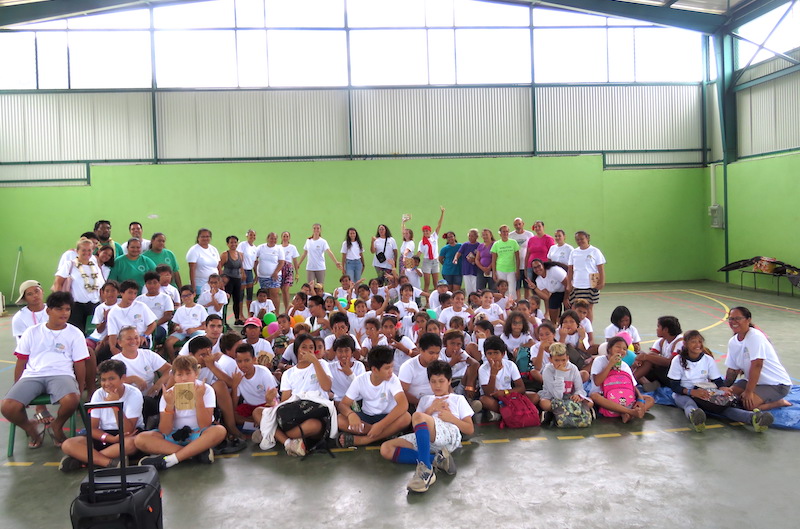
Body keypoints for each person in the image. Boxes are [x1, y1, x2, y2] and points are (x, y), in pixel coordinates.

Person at [1, 291, 87, 449]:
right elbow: (21, 361)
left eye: (67, 309)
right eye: (59, 309)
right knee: (7, 407)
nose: (64, 313)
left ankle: (57, 426)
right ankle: (31, 428)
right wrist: (17, 386)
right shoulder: (32, 332)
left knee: (71, 400)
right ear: (48, 311)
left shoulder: (75, 333)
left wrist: (80, 389)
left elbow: (79, 364)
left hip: (61, 375)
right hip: (32, 375)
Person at [381, 360, 475, 493]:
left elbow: (470, 429)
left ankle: (425, 469)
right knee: (386, 449)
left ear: (449, 381)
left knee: (417, 416)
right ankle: (438, 460)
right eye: (433, 381)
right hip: (428, 440)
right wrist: (431, 409)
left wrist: (452, 418)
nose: (437, 385)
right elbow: (417, 427)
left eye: (441, 381)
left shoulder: (457, 399)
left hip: (448, 434)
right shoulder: (425, 400)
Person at [135, 355, 227, 469]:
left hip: (199, 434)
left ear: (196, 373)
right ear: (174, 376)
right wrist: (169, 405)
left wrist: (199, 399)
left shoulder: (206, 390)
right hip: (174, 436)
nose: (184, 378)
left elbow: (205, 424)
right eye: (179, 374)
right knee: (140, 439)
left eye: (188, 373)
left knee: (219, 431)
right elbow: (165, 430)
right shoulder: (169, 393)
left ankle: (170, 460)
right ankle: (194, 453)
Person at [254, 333, 332, 457]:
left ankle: (272, 432)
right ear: (296, 351)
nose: (308, 351)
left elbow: (327, 387)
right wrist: (271, 402)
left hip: (314, 413)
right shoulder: (288, 373)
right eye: (304, 347)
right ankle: (289, 443)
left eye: (311, 348)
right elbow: (285, 402)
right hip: (294, 414)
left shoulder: (321, 364)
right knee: (258, 412)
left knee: (313, 425)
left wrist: (315, 362)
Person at [59, 359, 143, 471]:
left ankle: (83, 459)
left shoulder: (134, 394)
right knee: (68, 444)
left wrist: (115, 405)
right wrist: (111, 439)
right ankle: (109, 462)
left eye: (111, 379)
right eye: (103, 380)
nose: (107, 384)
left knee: (131, 444)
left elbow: (127, 430)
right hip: (104, 435)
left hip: (126, 435)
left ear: (123, 378)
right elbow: (92, 428)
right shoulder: (98, 394)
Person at [335, 345, 412, 448]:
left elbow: (403, 404)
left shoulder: (393, 379)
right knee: (339, 420)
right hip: (367, 417)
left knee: (406, 417)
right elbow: (343, 404)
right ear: (375, 369)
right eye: (387, 368)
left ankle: (365, 440)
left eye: (392, 367)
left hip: (388, 417)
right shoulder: (360, 380)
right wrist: (351, 415)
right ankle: (385, 434)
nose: (391, 371)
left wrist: (381, 425)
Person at [724, 306, 792, 412]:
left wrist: (748, 392)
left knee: (748, 405)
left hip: (776, 384)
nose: (734, 322)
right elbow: (733, 369)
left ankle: (779, 402)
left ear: (748, 320)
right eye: (731, 319)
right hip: (755, 382)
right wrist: (723, 387)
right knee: (727, 397)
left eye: (738, 318)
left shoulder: (755, 336)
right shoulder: (733, 342)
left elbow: (757, 365)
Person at [111, 326, 171, 424]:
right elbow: (112, 383)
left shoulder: (148, 354)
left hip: (151, 396)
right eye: (129, 339)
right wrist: (133, 379)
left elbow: (170, 369)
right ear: (120, 342)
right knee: (144, 402)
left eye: (136, 337)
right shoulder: (115, 361)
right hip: (129, 401)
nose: (133, 341)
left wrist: (158, 385)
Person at [590, 336, 654, 422]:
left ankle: (629, 412)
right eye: (618, 347)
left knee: (649, 399)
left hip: (623, 396)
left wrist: (640, 398)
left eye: (624, 349)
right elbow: (597, 382)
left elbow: (633, 385)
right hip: (604, 395)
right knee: (594, 396)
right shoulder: (599, 360)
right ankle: (630, 412)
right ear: (609, 349)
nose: (621, 350)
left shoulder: (624, 365)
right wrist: (610, 364)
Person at [478, 336, 538, 421]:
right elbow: (488, 393)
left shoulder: (510, 365)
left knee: (534, 397)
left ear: (503, 354)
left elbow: (521, 388)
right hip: (494, 398)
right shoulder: (483, 369)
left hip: (509, 395)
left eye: (496, 353)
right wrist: (493, 374)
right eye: (489, 353)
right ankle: (512, 412)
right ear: (485, 354)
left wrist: (505, 392)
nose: (493, 357)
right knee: (484, 400)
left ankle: (504, 413)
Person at [54, 237, 103, 333]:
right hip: (76, 306)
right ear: (77, 251)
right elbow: (58, 283)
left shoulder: (95, 265)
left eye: (89, 250)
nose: (86, 252)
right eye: (83, 250)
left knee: (93, 334)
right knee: (76, 333)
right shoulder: (69, 265)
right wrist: (60, 303)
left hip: (94, 305)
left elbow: (101, 285)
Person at [537, 343, 593, 418]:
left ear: (567, 358)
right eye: (557, 360)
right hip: (553, 398)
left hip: (570, 398)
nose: (560, 363)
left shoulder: (573, 368)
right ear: (550, 359)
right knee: (544, 403)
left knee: (590, 402)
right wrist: (559, 373)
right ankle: (568, 412)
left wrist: (577, 395)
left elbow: (579, 388)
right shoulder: (547, 370)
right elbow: (557, 396)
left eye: (563, 360)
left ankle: (562, 412)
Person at [105, 280, 157, 360]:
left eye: (135, 293)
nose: (132, 296)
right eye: (130, 293)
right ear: (122, 293)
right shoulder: (113, 312)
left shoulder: (141, 306)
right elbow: (112, 334)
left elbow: (152, 324)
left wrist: (144, 335)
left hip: (140, 339)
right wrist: (112, 347)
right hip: (123, 341)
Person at [232, 343, 279, 426]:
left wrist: (270, 403)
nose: (243, 364)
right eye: (239, 361)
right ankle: (257, 423)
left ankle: (258, 422)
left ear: (254, 360)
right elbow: (234, 405)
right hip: (249, 405)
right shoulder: (237, 375)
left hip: (265, 404)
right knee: (234, 416)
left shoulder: (263, 372)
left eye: (247, 360)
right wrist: (234, 386)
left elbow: (274, 397)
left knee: (259, 413)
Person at [633, 315, 683, 390]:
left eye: (658, 326)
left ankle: (630, 381)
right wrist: (640, 359)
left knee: (648, 358)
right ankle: (644, 382)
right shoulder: (661, 341)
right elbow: (650, 354)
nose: (656, 329)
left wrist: (645, 357)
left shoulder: (680, 342)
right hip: (663, 373)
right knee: (642, 355)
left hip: (674, 377)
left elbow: (669, 362)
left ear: (665, 330)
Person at [567, 230, 605, 321]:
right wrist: (569, 284)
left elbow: (601, 268)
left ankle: (588, 328)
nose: (579, 241)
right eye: (577, 239)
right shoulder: (574, 252)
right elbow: (570, 270)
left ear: (587, 238)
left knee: (588, 309)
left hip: (590, 285)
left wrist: (601, 282)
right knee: (575, 308)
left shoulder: (595, 251)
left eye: (581, 239)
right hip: (577, 285)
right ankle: (576, 326)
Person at [399, 333, 443, 407]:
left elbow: (447, 386)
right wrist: (422, 403)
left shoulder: (440, 364)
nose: (435, 357)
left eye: (437, 353)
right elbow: (402, 392)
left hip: (437, 401)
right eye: (431, 353)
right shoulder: (408, 367)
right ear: (421, 350)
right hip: (414, 404)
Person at [164, 285, 208, 360]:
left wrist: (194, 329)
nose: (186, 298)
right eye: (183, 296)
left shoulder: (200, 308)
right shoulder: (180, 310)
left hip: (196, 330)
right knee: (168, 342)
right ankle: (174, 361)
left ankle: (196, 360)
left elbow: (205, 325)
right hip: (183, 331)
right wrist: (177, 328)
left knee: (200, 341)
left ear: (194, 295)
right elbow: (176, 324)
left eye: (188, 295)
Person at [136, 271, 174, 346]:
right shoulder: (139, 299)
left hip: (159, 326)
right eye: (149, 283)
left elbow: (168, 316)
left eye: (155, 283)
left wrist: (152, 325)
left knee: (149, 338)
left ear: (159, 283)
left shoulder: (165, 298)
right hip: (141, 327)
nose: (152, 285)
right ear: (145, 285)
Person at [297, 223, 341, 289]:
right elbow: (305, 253)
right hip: (310, 267)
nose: (316, 230)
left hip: (320, 267)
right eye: (314, 228)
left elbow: (329, 252)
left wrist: (336, 262)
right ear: (312, 229)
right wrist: (298, 263)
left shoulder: (323, 241)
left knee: (320, 287)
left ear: (320, 230)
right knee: (310, 286)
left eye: (318, 228)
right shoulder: (308, 241)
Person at [526, 258, 568, 323]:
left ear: (543, 265)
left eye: (539, 266)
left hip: (569, 289)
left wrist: (566, 298)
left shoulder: (554, 270)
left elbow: (568, 284)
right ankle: (554, 324)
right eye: (535, 268)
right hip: (557, 292)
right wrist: (535, 288)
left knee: (568, 309)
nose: (537, 269)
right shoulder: (538, 280)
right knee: (552, 303)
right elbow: (547, 297)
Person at [218, 235, 246, 325]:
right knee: (226, 300)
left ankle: (237, 319)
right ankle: (223, 321)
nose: (233, 244)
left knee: (237, 300)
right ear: (227, 244)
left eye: (235, 242)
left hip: (237, 280)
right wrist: (222, 279)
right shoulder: (225, 254)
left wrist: (243, 274)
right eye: (231, 242)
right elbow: (219, 266)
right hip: (228, 281)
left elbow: (241, 266)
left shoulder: (240, 254)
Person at [255, 232, 286, 313]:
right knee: (266, 296)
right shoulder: (260, 247)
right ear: (267, 238)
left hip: (275, 276)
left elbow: (281, 262)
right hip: (262, 276)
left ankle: (276, 314)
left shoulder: (279, 249)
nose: (273, 240)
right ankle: (267, 313)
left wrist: (275, 272)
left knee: (274, 294)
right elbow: (255, 259)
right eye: (271, 238)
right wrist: (256, 273)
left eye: (275, 239)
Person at [329, 335, 366, 402]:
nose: (343, 354)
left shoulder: (359, 366)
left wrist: (350, 374)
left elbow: (362, 388)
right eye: (340, 351)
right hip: (338, 401)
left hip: (357, 400)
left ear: (352, 352)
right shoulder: (330, 367)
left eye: (346, 351)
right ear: (335, 352)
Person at [416, 207, 446, 291]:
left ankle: (437, 297)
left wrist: (442, 213)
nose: (426, 232)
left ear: (430, 231)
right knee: (427, 283)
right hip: (427, 262)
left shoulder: (434, 237)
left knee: (436, 283)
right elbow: (419, 252)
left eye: (427, 231)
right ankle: (427, 298)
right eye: (424, 231)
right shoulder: (422, 242)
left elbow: (439, 225)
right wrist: (413, 261)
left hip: (435, 261)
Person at [12, 280, 48, 346]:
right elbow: (23, 344)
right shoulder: (19, 318)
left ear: (42, 291)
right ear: (24, 298)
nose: (35, 295)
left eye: (37, 291)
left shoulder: (55, 310)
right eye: (29, 294)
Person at [186, 228, 220, 295]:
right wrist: (193, 286)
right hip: (200, 284)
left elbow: (219, 266)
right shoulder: (194, 250)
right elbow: (192, 269)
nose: (205, 238)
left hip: (214, 284)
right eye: (203, 236)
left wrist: (220, 283)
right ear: (198, 238)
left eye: (207, 236)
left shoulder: (214, 249)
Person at [491, 225, 520, 300]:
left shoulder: (513, 242)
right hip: (500, 269)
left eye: (507, 231)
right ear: (500, 233)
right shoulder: (496, 244)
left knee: (511, 289)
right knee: (502, 289)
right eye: (503, 231)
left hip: (511, 270)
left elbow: (517, 258)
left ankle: (512, 304)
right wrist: (494, 273)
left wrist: (517, 270)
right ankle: (502, 304)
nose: (505, 233)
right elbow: (493, 260)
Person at [509, 218, 534, 300]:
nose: (518, 226)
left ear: (523, 224)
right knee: (517, 288)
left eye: (519, 224)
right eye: (516, 225)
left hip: (527, 266)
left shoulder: (529, 234)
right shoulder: (510, 235)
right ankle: (517, 304)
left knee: (527, 287)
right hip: (515, 267)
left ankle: (527, 303)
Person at [237, 229, 258, 321]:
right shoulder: (242, 245)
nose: (252, 236)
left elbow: (254, 262)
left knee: (249, 293)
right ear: (247, 235)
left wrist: (256, 274)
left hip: (249, 272)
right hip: (242, 271)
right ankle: (240, 314)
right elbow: (240, 258)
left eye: (254, 235)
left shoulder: (255, 248)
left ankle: (250, 314)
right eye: (250, 235)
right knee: (241, 294)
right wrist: (242, 271)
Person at [279, 231, 301, 314]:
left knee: (286, 289)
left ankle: (287, 309)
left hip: (288, 268)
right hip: (280, 268)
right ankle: (286, 308)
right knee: (282, 290)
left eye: (287, 236)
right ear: (281, 237)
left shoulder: (292, 247)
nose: (285, 238)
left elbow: (295, 261)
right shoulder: (278, 247)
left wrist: (297, 273)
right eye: (284, 236)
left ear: (289, 238)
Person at [455, 228, 480, 296]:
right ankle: (470, 300)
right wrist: (456, 258)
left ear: (476, 237)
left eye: (472, 236)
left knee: (475, 288)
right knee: (468, 288)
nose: (470, 237)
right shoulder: (465, 245)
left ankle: (476, 300)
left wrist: (474, 260)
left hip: (475, 270)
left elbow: (481, 257)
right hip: (466, 269)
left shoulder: (479, 245)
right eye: (469, 236)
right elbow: (459, 253)